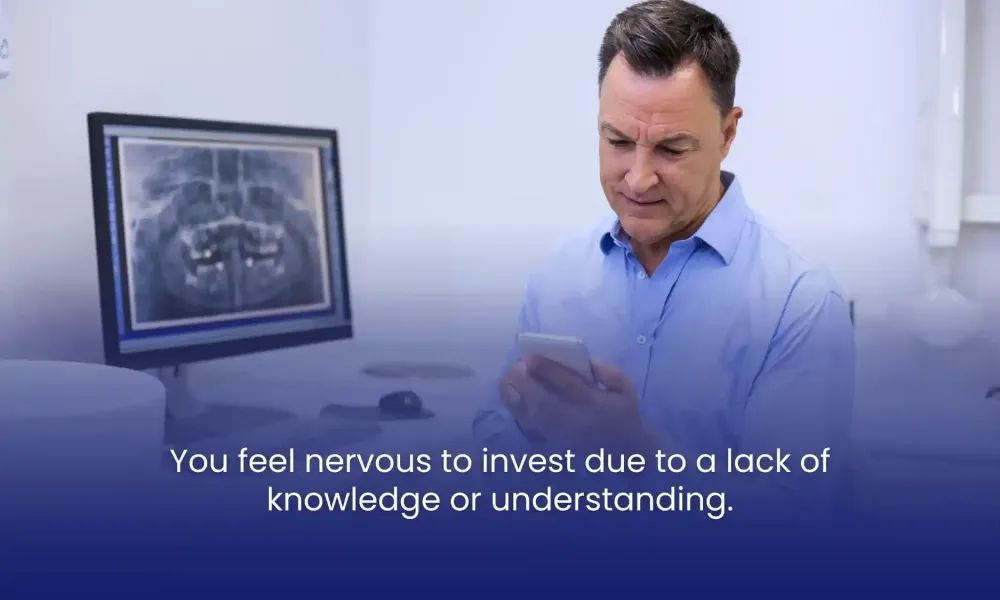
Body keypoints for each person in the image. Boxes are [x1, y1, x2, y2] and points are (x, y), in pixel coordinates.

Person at [471, 0, 855, 516]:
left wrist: (636, 454)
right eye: (619, 141)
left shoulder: (799, 303)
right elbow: (493, 433)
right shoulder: (559, 276)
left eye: (672, 149)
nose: (638, 178)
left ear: (727, 134)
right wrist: (522, 425)